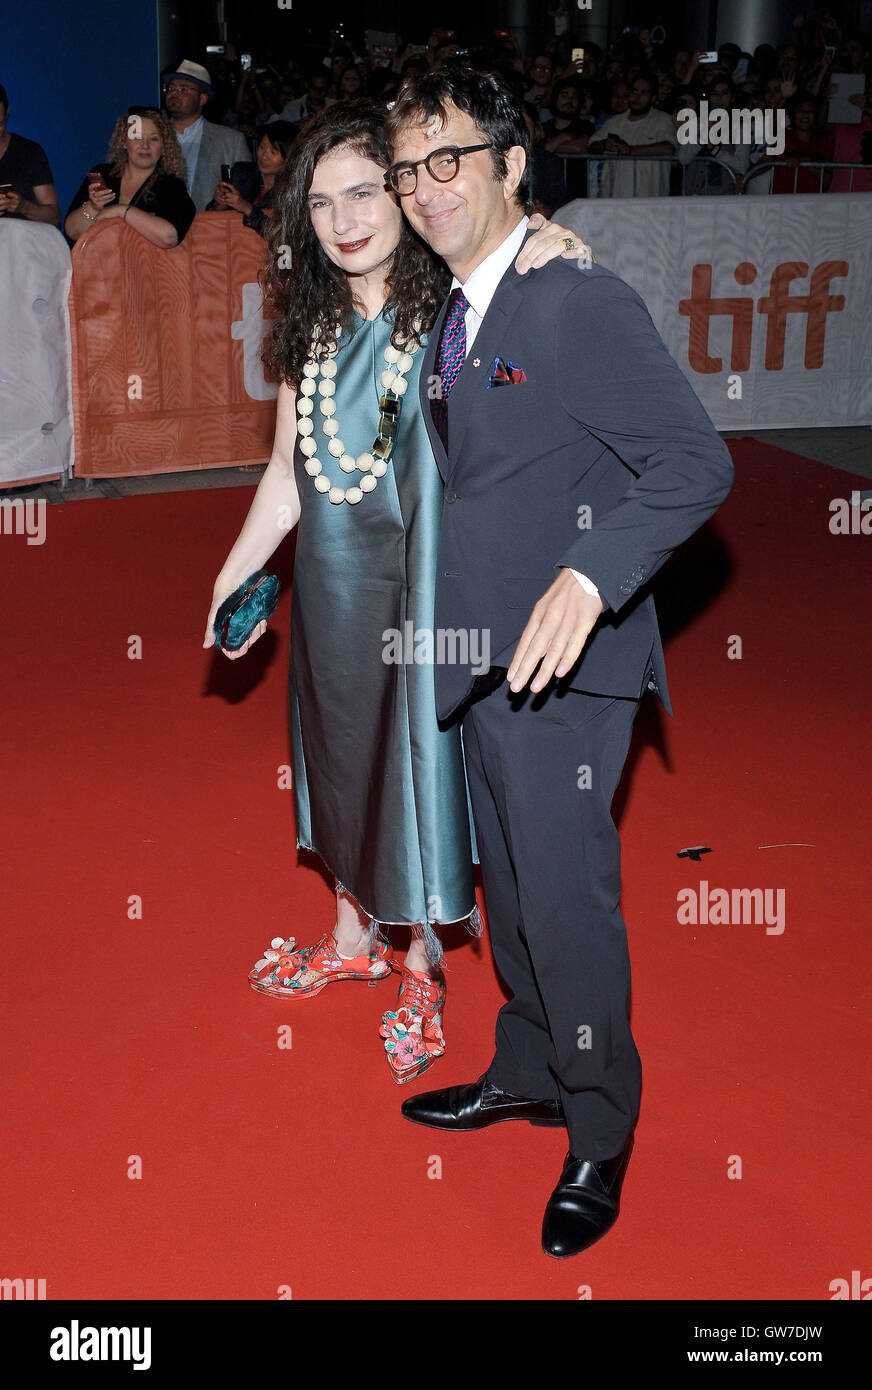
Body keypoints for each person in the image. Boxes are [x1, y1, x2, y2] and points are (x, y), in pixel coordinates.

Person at [384, 67, 733, 1257]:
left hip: (565, 663)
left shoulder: (570, 297)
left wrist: (589, 581)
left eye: (450, 160)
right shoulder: (460, 301)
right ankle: (530, 1067)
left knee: (568, 901)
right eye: (408, 168)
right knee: (514, 893)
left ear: (509, 164)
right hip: (487, 653)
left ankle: (598, 1124)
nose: (427, 189)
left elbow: (693, 463)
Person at [202, 101, 592, 1084]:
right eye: (322, 201)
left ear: (406, 192)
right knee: (335, 754)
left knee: (417, 766)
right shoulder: (308, 329)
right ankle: (349, 936)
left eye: (365, 192)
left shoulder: (459, 303)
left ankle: (422, 966)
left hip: (429, 590)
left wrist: (551, 241)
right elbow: (289, 479)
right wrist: (232, 572)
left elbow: (536, 263)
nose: (344, 220)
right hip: (333, 584)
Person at [64, 106, 195, 247]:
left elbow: (169, 237)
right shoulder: (104, 174)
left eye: (154, 139)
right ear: (123, 142)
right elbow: (72, 231)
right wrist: (93, 207)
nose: (145, 145)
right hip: (102, 265)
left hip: (149, 267)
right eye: (137, 137)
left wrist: (121, 210)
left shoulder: (171, 185)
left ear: (164, 146)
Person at [163, 60, 250, 211]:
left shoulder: (231, 141)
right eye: (171, 88)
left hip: (210, 229)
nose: (174, 93)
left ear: (202, 99)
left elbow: (245, 194)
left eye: (184, 89)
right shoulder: (152, 138)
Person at [588, 71, 677, 196]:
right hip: (615, 199)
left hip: (650, 200)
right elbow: (592, 145)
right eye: (634, 91)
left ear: (653, 98)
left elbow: (669, 148)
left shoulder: (663, 120)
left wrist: (631, 150)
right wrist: (604, 145)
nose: (637, 97)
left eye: (643, 93)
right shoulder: (614, 122)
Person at [211, 121, 296, 236]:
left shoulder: (293, 190)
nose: (264, 156)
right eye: (262, 147)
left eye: (273, 152)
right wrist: (221, 204)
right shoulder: (242, 175)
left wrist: (247, 208)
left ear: (289, 156)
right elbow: (210, 222)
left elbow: (283, 234)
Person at [0, 82, 60, 225]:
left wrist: (24, 207)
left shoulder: (29, 152)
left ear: (7, 112)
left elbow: (54, 217)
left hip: (20, 243)